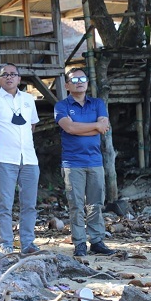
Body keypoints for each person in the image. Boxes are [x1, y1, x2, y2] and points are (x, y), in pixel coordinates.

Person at [0, 63, 41, 255]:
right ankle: (6, 243)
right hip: (4, 159)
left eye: (13, 74)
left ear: (19, 79)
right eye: (5, 75)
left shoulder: (29, 99)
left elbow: (32, 125)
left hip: (29, 159)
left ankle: (28, 243)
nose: (9, 77)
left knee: (29, 204)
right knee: (5, 203)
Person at [54, 67, 116, 257]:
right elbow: (69, 128)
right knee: (76, 204)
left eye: (82, 79)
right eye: (74, 80)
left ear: (87, 83)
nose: (79, 82)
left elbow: (103, 128)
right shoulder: (61, 105)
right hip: (73, 163)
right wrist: (94, 126)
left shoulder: (97, 103)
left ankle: (97, 240)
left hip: (95, 161)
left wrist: (89, 128)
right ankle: (80, 242)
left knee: (96, 203)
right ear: (66, 85)